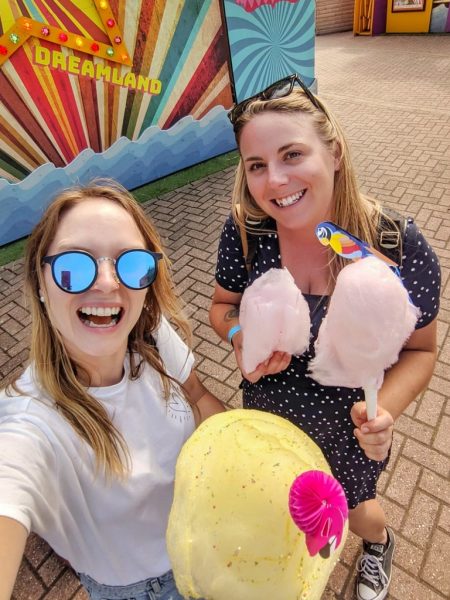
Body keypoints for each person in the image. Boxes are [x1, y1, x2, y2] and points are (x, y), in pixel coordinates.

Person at [209, 74, 440, 600]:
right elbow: (221, 308)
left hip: (351, 428)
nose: (275, 181)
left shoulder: (394, 245)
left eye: (292, 154)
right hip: (270, 415)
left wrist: (385, 413)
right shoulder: (247, 232)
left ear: (333, 152)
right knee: (289, 507)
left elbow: (422, 351)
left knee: (358, 512)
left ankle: (380, 545)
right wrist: (242, 333)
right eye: (257, 166)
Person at [0, 181, 224, 600]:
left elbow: (197, 397)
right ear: (41, 283)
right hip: (142, 589)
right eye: (73, 265)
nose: (106, 283)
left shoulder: (150, 334)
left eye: (131, 263)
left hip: (206, 542)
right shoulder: (28, 420)